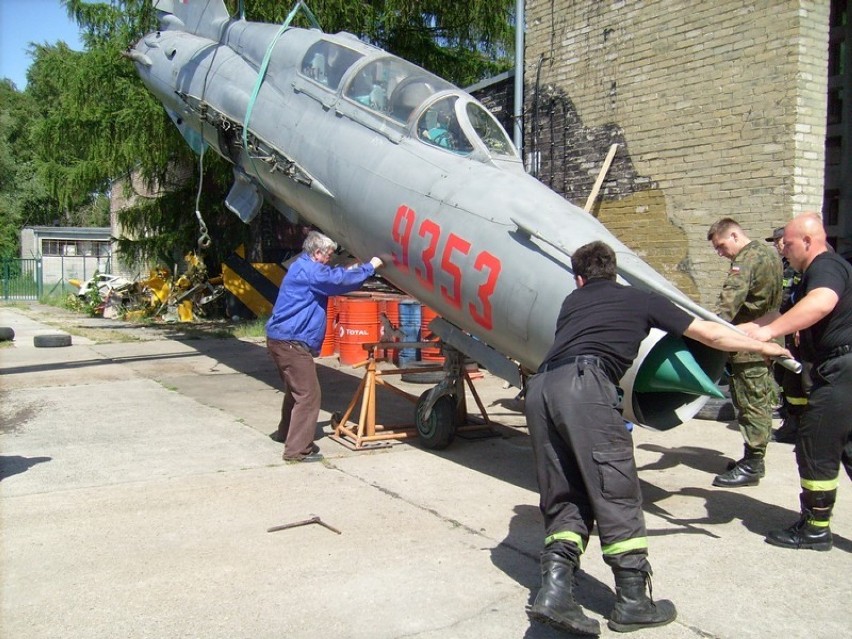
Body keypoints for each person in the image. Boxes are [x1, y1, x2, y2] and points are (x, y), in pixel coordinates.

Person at [524, 241, 790, 635]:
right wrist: (762, 345)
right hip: (586, 387)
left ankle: (555, 592)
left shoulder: (572, 303)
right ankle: (633, 602)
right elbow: (711, 335)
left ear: (579, 279)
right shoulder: (640, 299)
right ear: (614, 272)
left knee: (565, 492)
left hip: (541, 389)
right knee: (614, 489)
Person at [741, 213, 852, 551]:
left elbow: (822, 302)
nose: (783, 251)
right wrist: (740, 330)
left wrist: (770, 333)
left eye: (787, 244)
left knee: (815, 443)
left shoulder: (825, 267)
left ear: (808, 241)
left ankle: (816, 529)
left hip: (840, 370)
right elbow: (779, 315)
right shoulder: (809, 276)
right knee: (848, 447)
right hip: (839, 368)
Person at [266, 231, 383, 462]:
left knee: (295, 390)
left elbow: (331, 276)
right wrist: (371, 266)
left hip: (281, 339)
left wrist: (351, 268)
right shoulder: (311, 272)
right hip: (291, 343)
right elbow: (338, 282)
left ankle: (286, 434)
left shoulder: (301, 266)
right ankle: (297, 451)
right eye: (328, 254)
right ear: (317, 253)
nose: (330, 258)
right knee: (309, 395)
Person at [706, 218, 782, 487]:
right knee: (757, 396)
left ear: (736, 235)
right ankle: (751, 457)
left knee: (751, 402)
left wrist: (706, 329)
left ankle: (753, 463)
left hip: (747, 340)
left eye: (722, 246)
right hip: (767, 334)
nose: (721, 252)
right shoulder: (769, 253)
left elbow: (729, 303)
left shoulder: (746, 260)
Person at [764, 227, 808, 444]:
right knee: (784, 377)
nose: (777, 246)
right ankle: (791, 420)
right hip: (785, 328)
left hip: (798, 330)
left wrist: (800, 325)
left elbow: (803, 298)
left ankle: (797, 427)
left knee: (795, 381)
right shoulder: (784, 265)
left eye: (779, 242)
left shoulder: (802, 267)